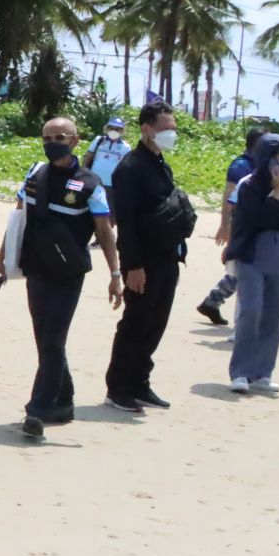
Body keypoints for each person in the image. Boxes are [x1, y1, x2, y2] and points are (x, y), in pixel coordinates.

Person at [0, 118, 124, 439]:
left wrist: (115, 274)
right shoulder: (35, 174)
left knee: (53, 339)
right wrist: (0, 261)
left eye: (60, 137)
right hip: (36, 267)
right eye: (47, 137)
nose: (52, 143)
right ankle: (62, 401)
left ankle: (38, 409)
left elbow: (104, 231)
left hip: (68, 272)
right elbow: (17, 220)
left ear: (75, 141)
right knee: (45, 339)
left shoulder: (90, 183)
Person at [104, 101, 188, 412]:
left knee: (156, 322)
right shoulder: (130, 168)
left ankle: (140, 382)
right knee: (136, 323)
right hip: (143, 261)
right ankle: (118, 388)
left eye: (173, 129)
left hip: (167, 258)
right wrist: (133, 267)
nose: (171, 134)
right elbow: (126, 223)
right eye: (166, 128)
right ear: (146, 129)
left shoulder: (160, 164)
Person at [224, 133, 279, 393]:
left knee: (274, 313)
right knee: (251, 310)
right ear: (267, 157)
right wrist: (276, 192)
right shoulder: (249, 185)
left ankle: (262, 372)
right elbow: (262, 218)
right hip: (251, 254)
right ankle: (240, 372)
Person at [195, 126, 265, 326]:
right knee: (243, 268)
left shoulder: (260, 165)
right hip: (241, 223)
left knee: (242, 269)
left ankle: (212, 301)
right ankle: (216, 303)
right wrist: (224, 226)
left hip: (254, 223)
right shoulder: (241, 166)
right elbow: (229, 197)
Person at [82, 115, 131, 187]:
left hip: (113, 185)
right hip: (94, 182)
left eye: (117, 129)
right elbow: (88, 156)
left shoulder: (126, 147)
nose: (114, 131)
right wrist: (82, 174)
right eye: (111, 128)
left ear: (122, 131)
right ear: (107, 128)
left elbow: (126, 168)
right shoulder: (98, 140)